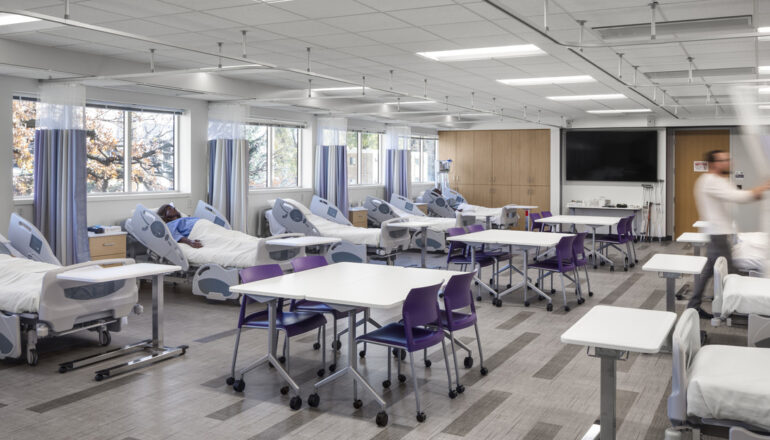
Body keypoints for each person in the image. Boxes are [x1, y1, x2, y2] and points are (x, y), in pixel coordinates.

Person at [689, 150, 770, 319]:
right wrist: (762, 189)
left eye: (728, 159)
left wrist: (758, 193)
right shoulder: (711, 181)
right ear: (713, 164)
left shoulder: (718, 180)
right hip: (718, 235)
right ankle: (731, 308)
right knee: (730, 272)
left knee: (709, 271)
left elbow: (737, 197)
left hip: (719, 234)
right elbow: (737, 197)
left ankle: (694, 305)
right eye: (724, 160)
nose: (728, 162)